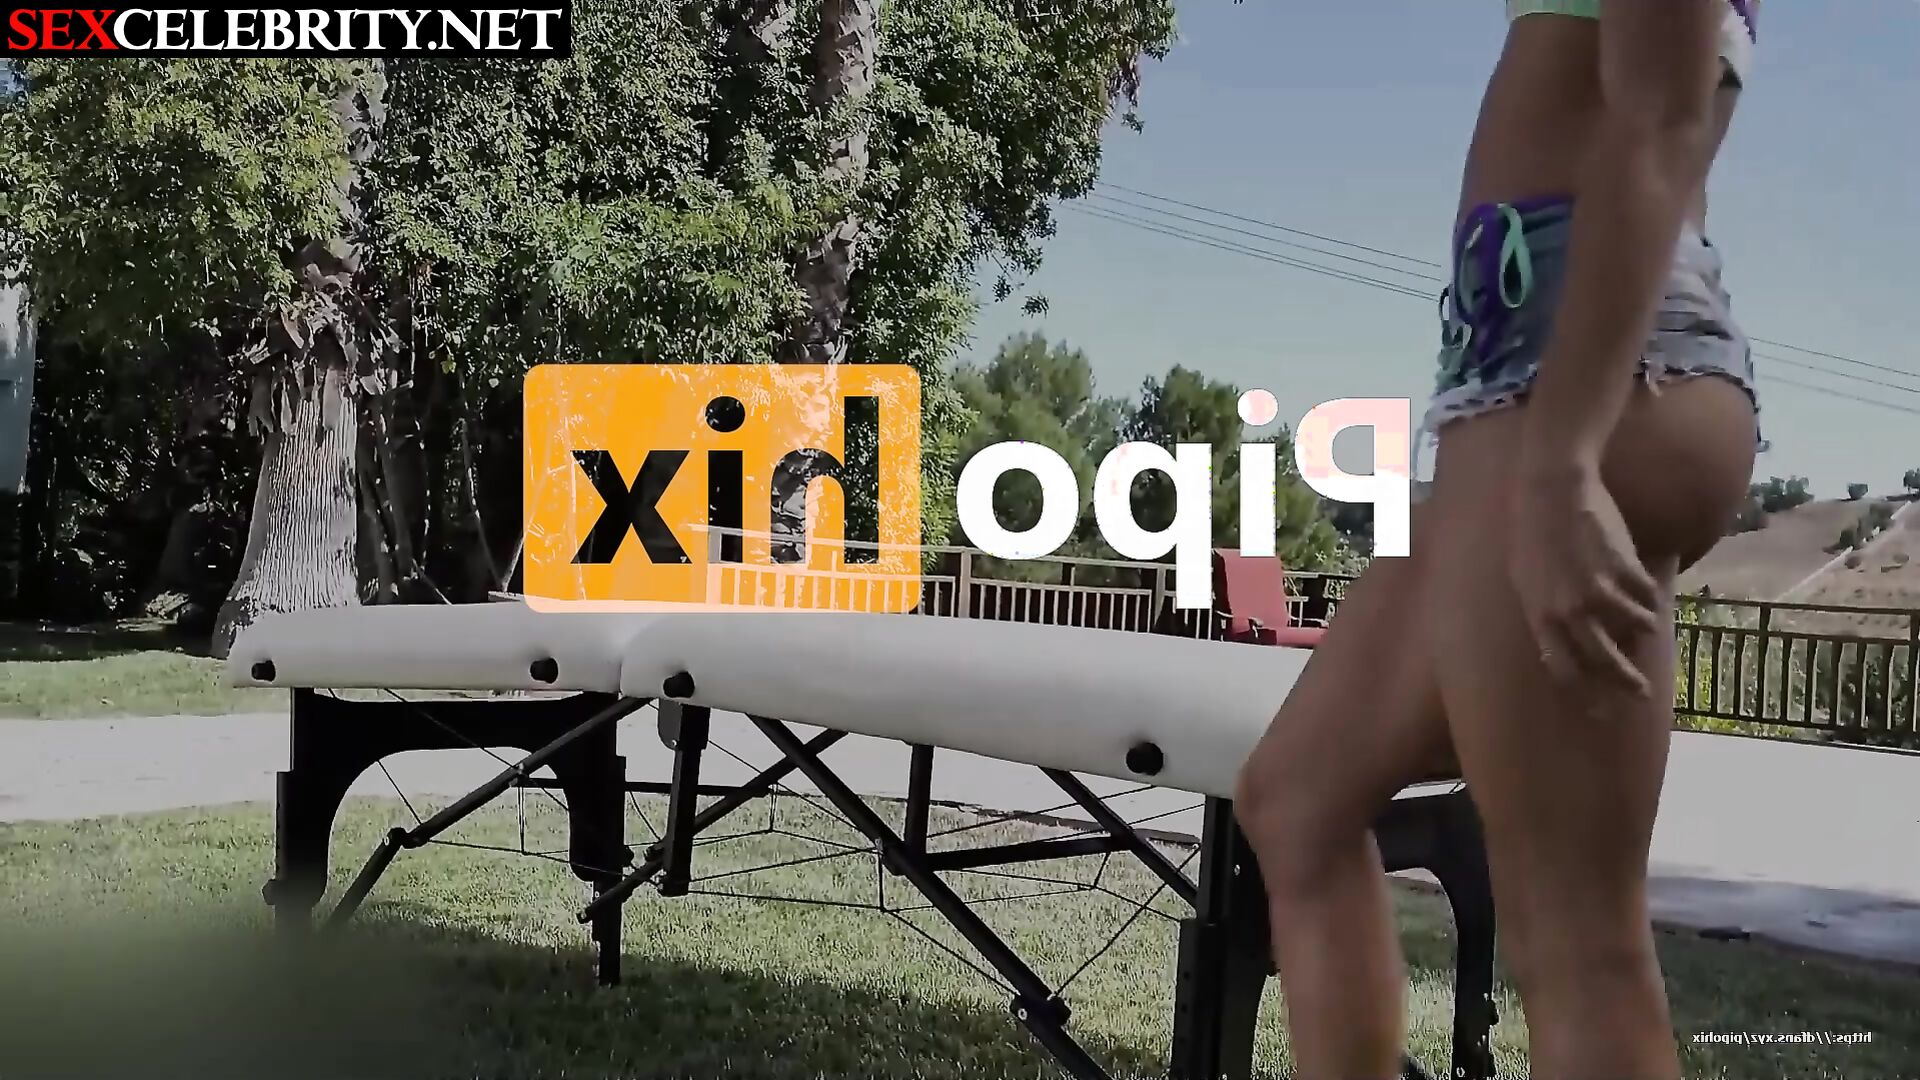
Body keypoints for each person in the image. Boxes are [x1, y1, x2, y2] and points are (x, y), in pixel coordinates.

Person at [1232, 3, 1763, 1078]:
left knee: (1577, 943)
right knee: (1296, 803)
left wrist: (1564, 458)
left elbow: (1664, 114)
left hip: (1579, 374)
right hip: (1528, 361)